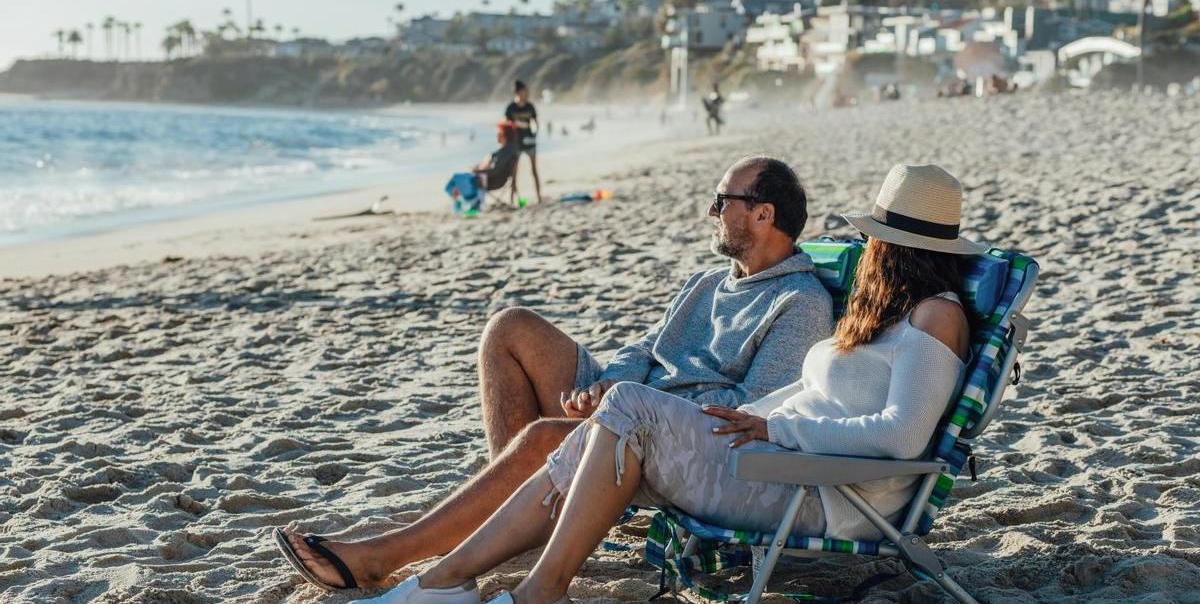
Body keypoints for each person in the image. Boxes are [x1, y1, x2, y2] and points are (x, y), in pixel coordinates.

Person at [350, 163, 986, 604]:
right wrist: (742, 419)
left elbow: (902, 438)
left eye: (872, 239)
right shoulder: (887, 319)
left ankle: (528, 589)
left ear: (893, 247)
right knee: (606, 418)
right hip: (783, 462)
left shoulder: (937, 316)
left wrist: (773, 427)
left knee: (624, 410)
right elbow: (797, 394)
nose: (865, 250)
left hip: (825, 491)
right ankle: (445, 580)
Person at [276, 156, 834, 592]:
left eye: (722, 200)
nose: (712, 212)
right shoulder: (709, 282)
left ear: (763, 214)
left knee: (545, 438)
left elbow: (753, 410)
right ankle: (519, 513)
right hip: (632, 403)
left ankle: (382, 557)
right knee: (510, 328)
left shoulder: (800, 301)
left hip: (669, 434)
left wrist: (633, 404)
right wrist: (606, 385)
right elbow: (645, 347)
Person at [504, 80, 541, 203]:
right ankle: (513, 199)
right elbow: (506, 125)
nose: (528, 93)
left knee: (534, 170)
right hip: (516, 143)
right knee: (514, 172)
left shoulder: (530, 106)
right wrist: (518, 124)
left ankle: (539, 197)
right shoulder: (511, 108)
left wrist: (535, 132)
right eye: (525, 91)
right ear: (518, 92)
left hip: (530, 141)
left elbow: (535, 122)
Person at [470, 122, 521, 206]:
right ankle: (476, 204)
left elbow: (495, 170)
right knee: (467, 179)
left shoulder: (505, 152)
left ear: (504, 135)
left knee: (466, 180)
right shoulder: (511, 150)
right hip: (498, 179)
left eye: (499, 134)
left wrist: (478, 171)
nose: (497, 136)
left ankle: (476, 204)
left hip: (495, 181)